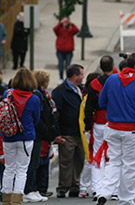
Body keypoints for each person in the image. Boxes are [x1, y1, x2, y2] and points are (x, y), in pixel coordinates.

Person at [95, 53, 135, 205]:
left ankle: (104, 192)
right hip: (133, 129)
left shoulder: (112, 79)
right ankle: (125, 199)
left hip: (113, 127)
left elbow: (101, 102)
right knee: (130, 166)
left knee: (114, 162)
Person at [1, 68, 41, 205]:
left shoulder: (8, 93)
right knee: (22, 170)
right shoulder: (35, 98)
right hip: (26, 136)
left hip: (8, 136)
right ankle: (17, 199)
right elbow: (36, 119)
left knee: (9, 168)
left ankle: (6, 198)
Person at [23, 70, 58, 203]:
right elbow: (39, 117)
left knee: (33, 163)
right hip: (37, 134)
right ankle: (29, 189)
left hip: (36, 133)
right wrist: (49, 133)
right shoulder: (38, 96)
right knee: (32, 163)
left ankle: (33, 188)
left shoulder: (39, 95)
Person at [52, 64, 85, 198]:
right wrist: (57, 133)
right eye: (82, 74)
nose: (83, 77)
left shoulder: (81, 89)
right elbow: (55, 114)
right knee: (66, 161)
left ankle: (75, 185)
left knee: (79, 160)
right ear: (75, 76)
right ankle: (63, 187)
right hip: (67, 131)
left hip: (80, 132)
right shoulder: (60, 91)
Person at [83, 56, 114, 200]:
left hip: (99, 123)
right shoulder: (117, 81)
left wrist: (88, 126)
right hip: (114, 122)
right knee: (113, 157)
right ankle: (113, 189)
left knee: (97, 156)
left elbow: (88, 108)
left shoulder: (94, 83)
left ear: (100, 68)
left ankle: (97, 188)